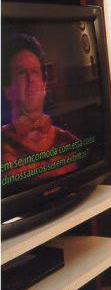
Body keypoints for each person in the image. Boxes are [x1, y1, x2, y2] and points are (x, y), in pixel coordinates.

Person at [2, 34, 79, 186]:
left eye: (35, 72)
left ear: (44, 86)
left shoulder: (69, 141)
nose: (31, 81)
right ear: (8, 91)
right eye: (21, 73)